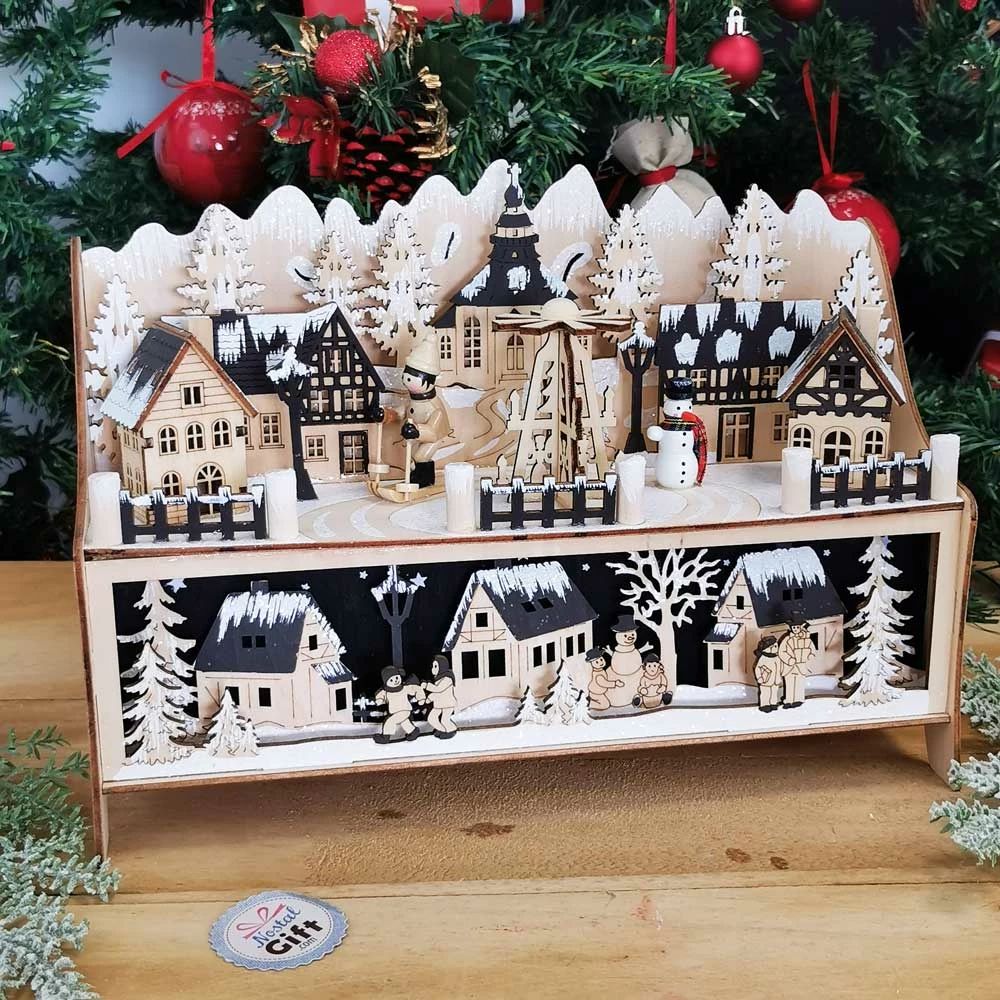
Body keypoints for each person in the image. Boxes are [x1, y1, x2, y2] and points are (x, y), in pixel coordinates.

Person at [397, 332, 452, 488]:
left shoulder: (434, 408)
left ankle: (424, 481)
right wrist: (387, 415)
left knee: (420, 456)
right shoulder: (413, 401)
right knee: (410, 457)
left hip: (432, 437)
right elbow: (401, 412)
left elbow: (433, 432)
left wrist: (416, 430)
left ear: (430, 382)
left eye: (415, 377)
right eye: (407, 375)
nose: (408, 380)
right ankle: (415, 478)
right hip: (416, 436)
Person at [373, 666, 426, 743]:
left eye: (397, 678)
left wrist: (421, 697)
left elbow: (416, 688)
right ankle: (413, 731)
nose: (395, 681)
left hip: (404, 710)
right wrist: (379, 700)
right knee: (404, 722)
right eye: (391, 680)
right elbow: (381, 696)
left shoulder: (404, 688)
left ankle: (385, 737)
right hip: (396, 712)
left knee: (390, 721)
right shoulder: (386, 692)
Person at [775, 612, 814, 709]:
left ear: (801, 627)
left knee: (799, 683)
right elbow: (782, 651)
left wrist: (810, 655)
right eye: (794, 627)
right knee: (790, 683)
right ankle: (789, 700)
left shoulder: (806, 639)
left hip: (801, 666)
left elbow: (812, 649)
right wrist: (789, 659)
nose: (795, 629)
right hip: (790, 667)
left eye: (797, 627)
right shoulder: (787, 639)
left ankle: (798, 699)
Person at [606, 613, 644, 708]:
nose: (630, 637)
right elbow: (616, 665)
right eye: (625, 635)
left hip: (635, 676)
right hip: (621, 679)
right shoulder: (618, 652)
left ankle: (637, 698)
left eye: (632, 634)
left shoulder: (634, 651)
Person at [423, 655, 458, 739]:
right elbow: (437, 694)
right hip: (439, 704)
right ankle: (442, 729)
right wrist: (430, 698)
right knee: (431, 718)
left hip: (448, 704)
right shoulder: (437, 679)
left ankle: (451, 730)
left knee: (444, 720)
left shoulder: (447, 679)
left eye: (435, 666)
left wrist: (427, 686)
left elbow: (438, 689)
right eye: (433, 666)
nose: (433, 669)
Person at [753, 635, 782, 713]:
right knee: (765, 692)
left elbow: (780, 667)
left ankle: (773, 703)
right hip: (765, 680)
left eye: (776, 646)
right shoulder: (763, 658)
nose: (775, 648)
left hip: (775, 680)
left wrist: (780, 675)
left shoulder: (777, 657)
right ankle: (765, 705)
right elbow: (757, 668)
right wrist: (759, 677)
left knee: (774, 692)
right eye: (772, 647)